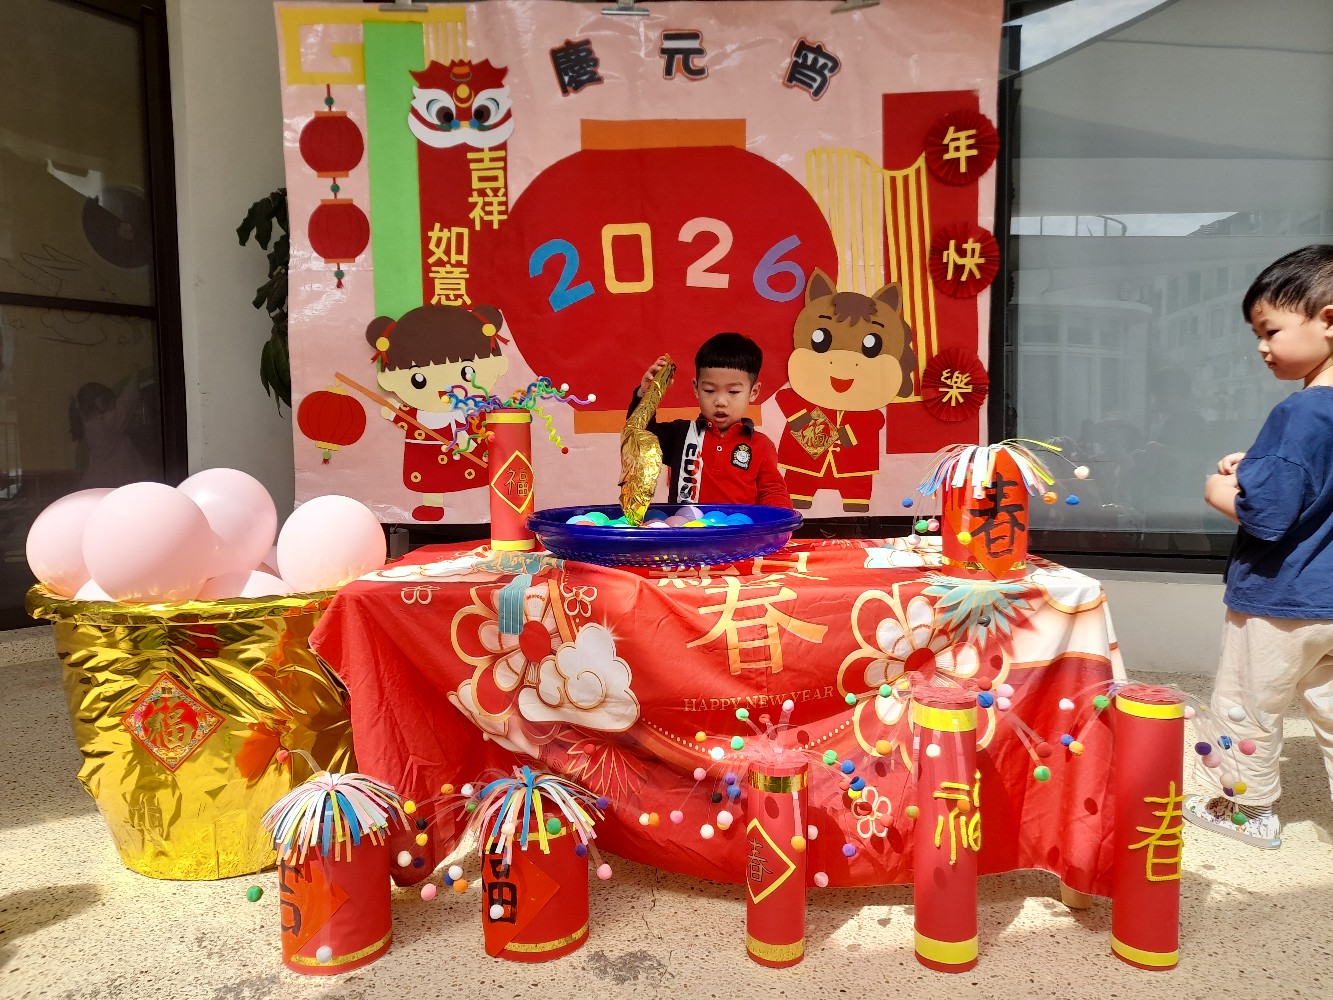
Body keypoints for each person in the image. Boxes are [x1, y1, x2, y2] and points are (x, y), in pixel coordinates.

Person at [1186, 245, 1333, 849]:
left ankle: (1244, 810)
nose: (1261, 347)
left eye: (1270, 330)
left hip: (1280, 598)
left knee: (1247, 703)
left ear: (1329, 319)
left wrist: (1219, 488)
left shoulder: (1300, 412)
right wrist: (1259, 467)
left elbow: (1269, 515)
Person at [631, 332, 792, 509]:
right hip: (685, 527)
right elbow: (639, 435)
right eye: (709, 390)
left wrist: (781, 519)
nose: (720, 401)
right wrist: (646, 395)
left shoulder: (762, 445)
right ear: (696, 388)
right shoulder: (681, 435)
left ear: (753, 392)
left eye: (733, 392)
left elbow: (773, 492)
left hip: (740, 528)